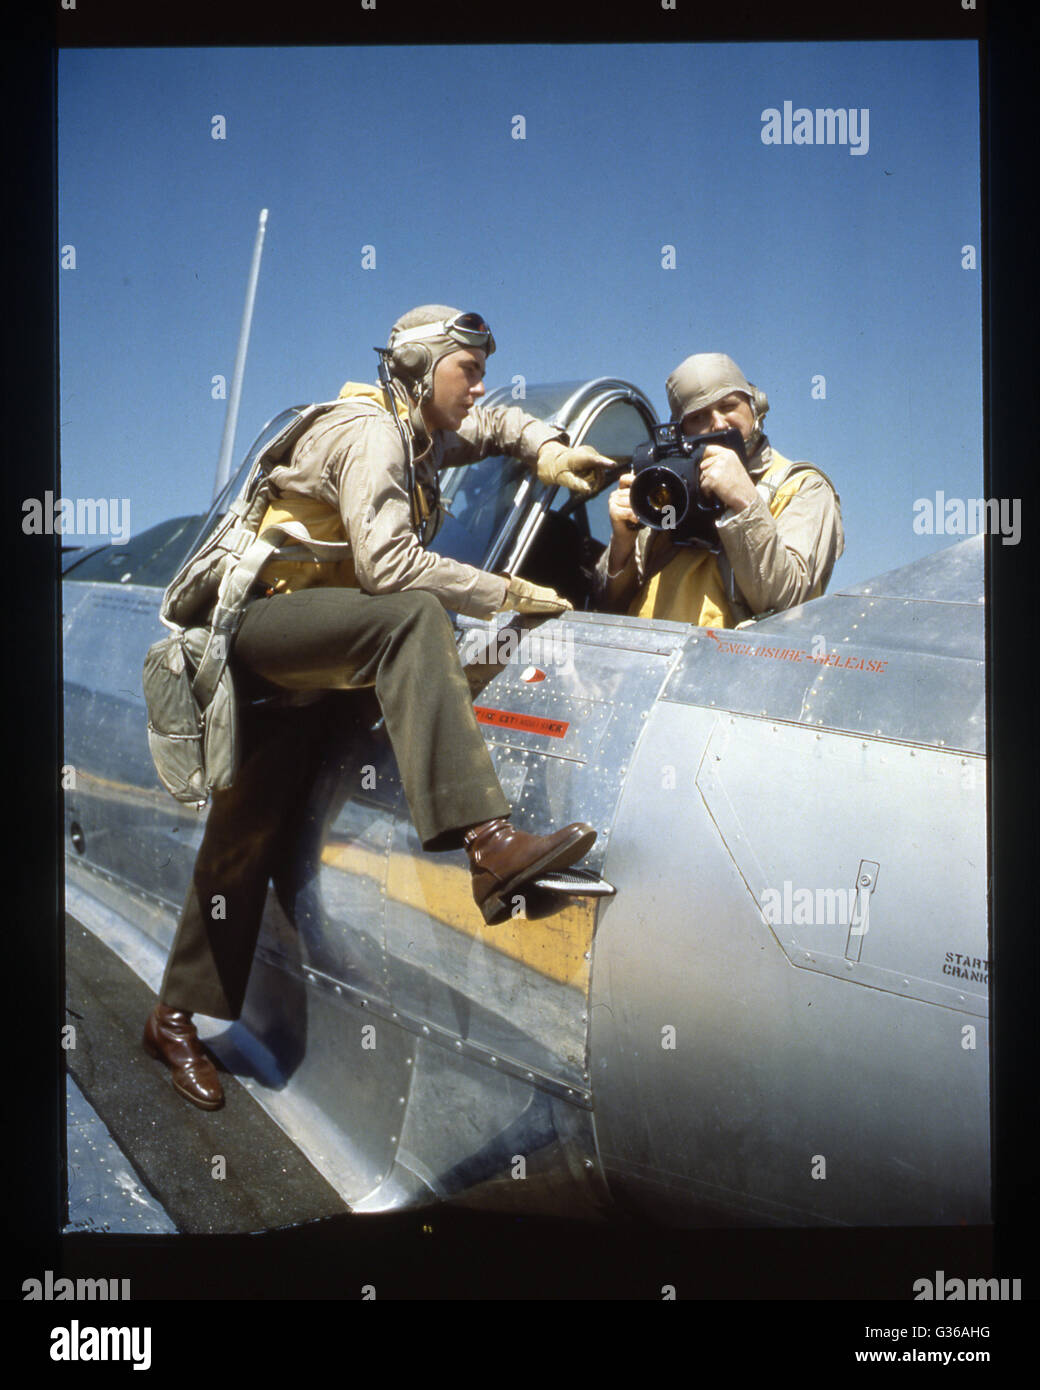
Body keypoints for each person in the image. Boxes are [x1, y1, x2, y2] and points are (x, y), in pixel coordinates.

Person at [143, 305, 614, 1110]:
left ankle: (171, 1019)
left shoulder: (419, 429)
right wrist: (508, 592)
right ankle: (489, 845)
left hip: (326, 651)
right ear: (422, 368)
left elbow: (493, 424)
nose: (480, 384)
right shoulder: (374, 434)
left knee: (243, 832)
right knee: (414, 618)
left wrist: (547, 447)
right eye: (467, 368)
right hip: (266, 630)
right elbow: (390, 568)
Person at [592, 353, 844, 625]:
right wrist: (622, 546)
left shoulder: (801, 487)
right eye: (698, 417)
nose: (719, 423)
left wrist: (745, 501)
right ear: (681, 430)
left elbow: (787, 606)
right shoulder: (664, 493)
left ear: (755, 406)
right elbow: (607, 608)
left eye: (728, 406)